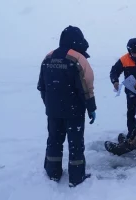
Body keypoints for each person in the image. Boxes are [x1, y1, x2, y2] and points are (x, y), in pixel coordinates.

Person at [37, 25, 97, 187]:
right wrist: (91, 107)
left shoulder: (48, 57)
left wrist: (49, 104)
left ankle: (53, 172)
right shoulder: (78, 58)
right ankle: (76, 176)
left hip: (53, 110)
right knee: (75, 142)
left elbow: (41, 86)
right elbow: (87, 86)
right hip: (74, 111)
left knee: (54, 140)